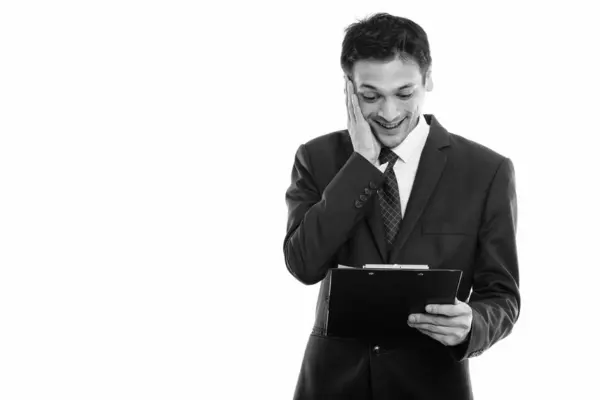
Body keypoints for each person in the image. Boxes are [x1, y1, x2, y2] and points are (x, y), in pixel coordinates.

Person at [283, 12, 520, 400]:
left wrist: (473, 324)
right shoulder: (318, 157)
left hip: (434, 384)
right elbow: (303, 265)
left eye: (405, 93)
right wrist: (360, 165)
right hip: (332, 386)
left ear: (427, 79)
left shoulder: (486, 171)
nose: (389, 113)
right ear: (349, 87)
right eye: (370, 95)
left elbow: (503, 294)